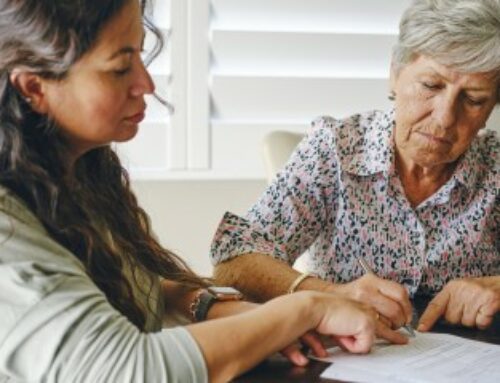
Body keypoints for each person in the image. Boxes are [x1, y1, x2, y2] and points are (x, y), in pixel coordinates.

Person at [0, 0, 393, 382]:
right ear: (34, 87)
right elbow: (126, 369)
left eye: (140, 55)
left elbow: (141, 286)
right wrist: (305, 309)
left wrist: (233, 315)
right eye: (120, 68)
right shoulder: (8, 229)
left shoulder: (72, 174)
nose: (146, 84)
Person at [211, 0, 500, 335]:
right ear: (395, 73)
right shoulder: (335, 149)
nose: (445, 118)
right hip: (351, 355)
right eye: (431, 86)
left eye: (474, 100)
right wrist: (333, 294)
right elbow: (234, 261)